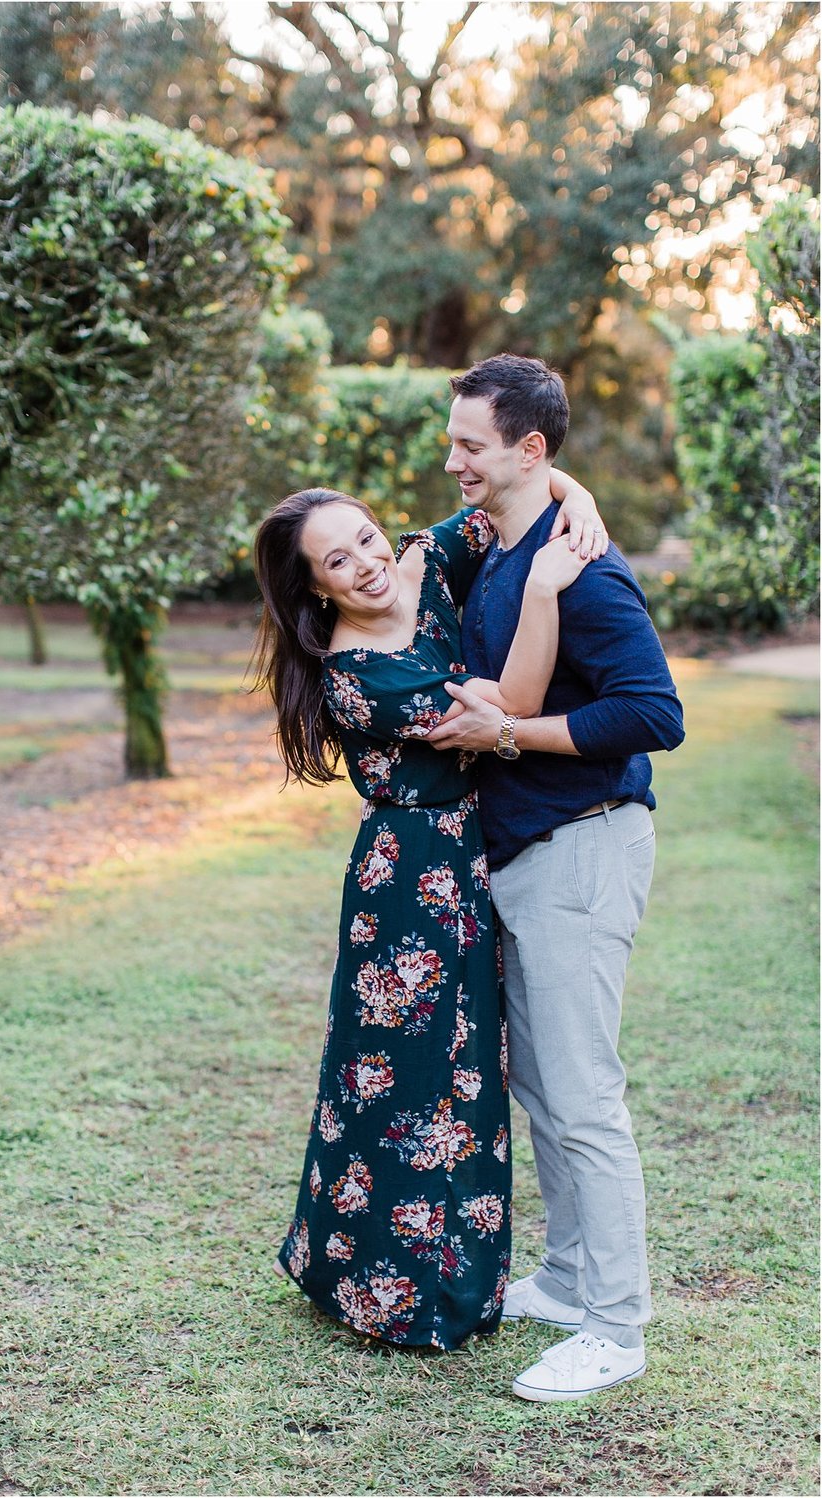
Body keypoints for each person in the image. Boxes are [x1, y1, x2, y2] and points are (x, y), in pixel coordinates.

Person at [253, 469, 605, 1352]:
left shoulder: (425, 561)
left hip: (466, 858)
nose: (367, 563)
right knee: (403, 1078)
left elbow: (512, 479)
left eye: (367, 537)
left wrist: (582, 499)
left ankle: (445, 1273)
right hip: (409, 877)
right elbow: (514, 708)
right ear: (315, 587)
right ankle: (389, 1290)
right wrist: (542, 588)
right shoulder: (358, 678)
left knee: (467, 1071)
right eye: (339, 560)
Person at [426, 353, 685, 1400]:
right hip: (527, 852)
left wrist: (508, 734)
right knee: (542, 1087)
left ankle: (615, 1328)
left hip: (583, 842)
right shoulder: (513, 542)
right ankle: (571, 1278)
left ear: (528, 448)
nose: (450, 461)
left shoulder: (585, 568)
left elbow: (654, 713)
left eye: (468, 445)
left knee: (583, 1098)